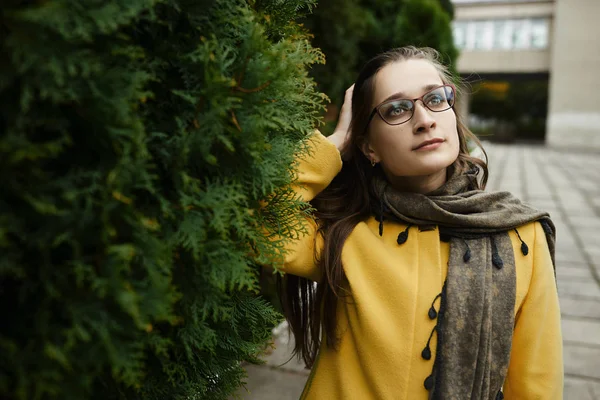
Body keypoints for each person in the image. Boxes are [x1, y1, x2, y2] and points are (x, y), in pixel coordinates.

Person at [272, 46, 563, 399]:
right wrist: (336, 143)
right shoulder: (346, 235)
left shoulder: (521, 234)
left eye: (435, 99)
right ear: (368, 148)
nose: (424, 119)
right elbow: (257, 223)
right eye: (397, 108)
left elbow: (537, 384)